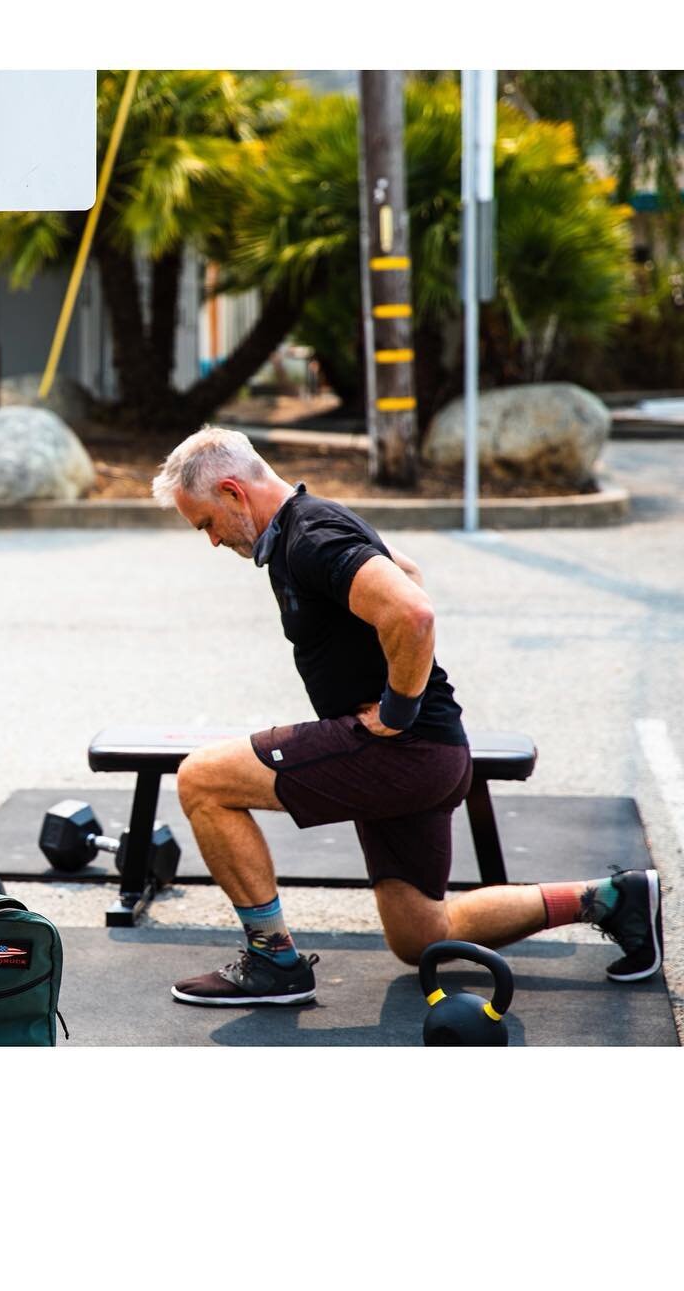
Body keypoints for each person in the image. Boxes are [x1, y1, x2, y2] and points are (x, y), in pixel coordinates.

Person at [151, 425, 664, 1007]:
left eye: (207, 523)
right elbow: (408, 570)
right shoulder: (313, 520)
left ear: (233, 492)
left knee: (202, 779)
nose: (213, 541)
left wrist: (396, 710)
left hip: (402, 748)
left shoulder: (309, 537)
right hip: (429, 753)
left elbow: (413, 611)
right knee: (421, 934)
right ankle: (612, 898)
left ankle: (273, 960)